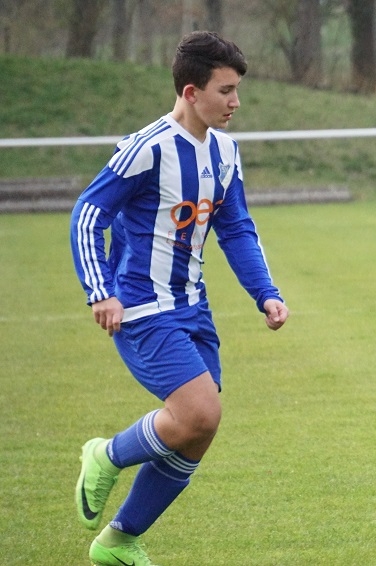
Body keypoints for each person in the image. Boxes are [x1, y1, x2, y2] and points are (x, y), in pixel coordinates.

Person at [69, 31, 289, 566]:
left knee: (198, 431)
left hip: (193, 305)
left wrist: (265, 292)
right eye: (226, 91)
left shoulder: (225, 151)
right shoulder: (147, 148)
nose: (236, 102)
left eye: (237, 90)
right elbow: (88, 214)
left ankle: (119, 541)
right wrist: (100, 292)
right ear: (192, 92)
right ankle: (106, 455)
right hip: (142, 307)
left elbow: (235, 227)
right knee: (198, 413)